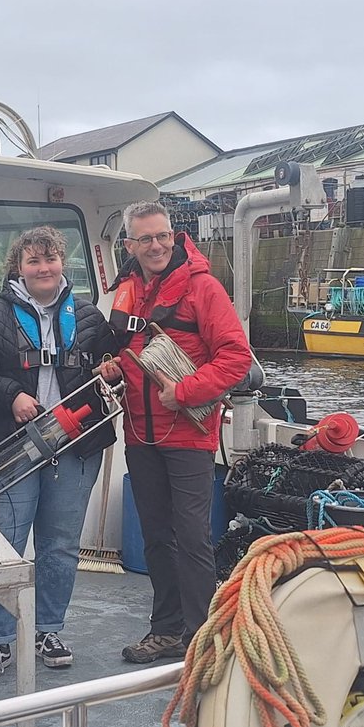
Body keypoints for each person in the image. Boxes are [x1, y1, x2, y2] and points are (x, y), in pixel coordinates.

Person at [106, 200, 251, 663]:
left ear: (175, 235)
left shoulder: (203, 288)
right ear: (129, 244)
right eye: (145, 238)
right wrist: (111, 366)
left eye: (163, 236)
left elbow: (235, 357)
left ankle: (202, 634)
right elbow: (126, 348)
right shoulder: (128, 288)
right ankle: (166, 629)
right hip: (140, 433)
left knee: (191, 536)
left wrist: (185, 392)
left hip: (188, 434)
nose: (156, 246)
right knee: (155, 536)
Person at [0, 226, 118, 682]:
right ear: (18, 267)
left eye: (51, 260)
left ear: (63, 265)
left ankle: (48, 629)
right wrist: (12, 395)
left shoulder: (91, 317)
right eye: (34, 261)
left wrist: (111, 370)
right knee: (4, 547)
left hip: (75, 448)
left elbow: (109, 372)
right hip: (12, 447)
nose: (44, 269)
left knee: (59, 547)